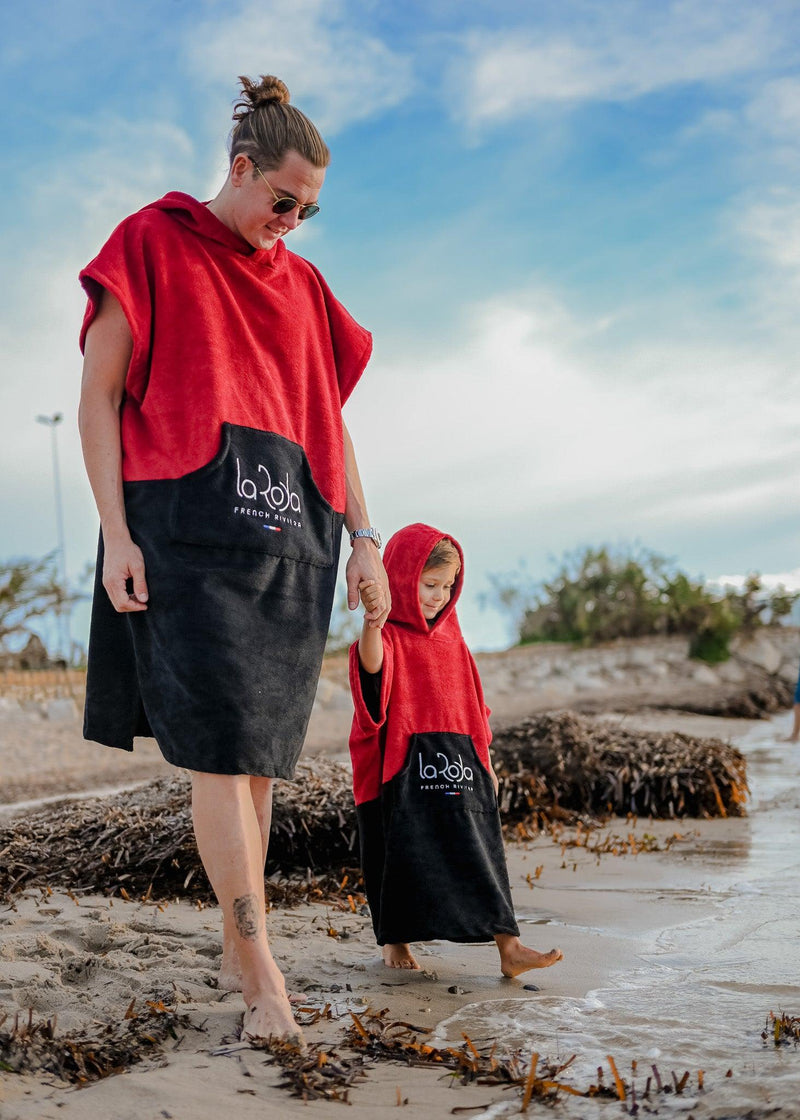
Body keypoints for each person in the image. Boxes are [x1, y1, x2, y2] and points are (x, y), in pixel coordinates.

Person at [77, 74, 389, 1045]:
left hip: (292, 533)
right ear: (239, 169)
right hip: (183, 524)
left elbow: (329, 424)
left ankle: (234, 941)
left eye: (309, 211)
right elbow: (97, 398)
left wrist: (365, 539)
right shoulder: (152, 241)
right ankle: (261, 971)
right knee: (219, 752)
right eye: (281, 201)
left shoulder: (300, 285)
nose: (290, 223)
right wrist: (117, 535)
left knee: (256, 763)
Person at [348, 523, 562, 976]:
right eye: (429, 584)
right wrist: (373, 622)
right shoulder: (389, 635)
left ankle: (510, 947)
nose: (438, 596)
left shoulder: (454, 639)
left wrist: (487, 763)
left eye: (447, 587)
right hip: (402, 764)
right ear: (402, 578)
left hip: (460, 758)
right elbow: (371, 669)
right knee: (401, 854)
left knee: (480, 850)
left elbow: (474, 704)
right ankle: (396, 944)